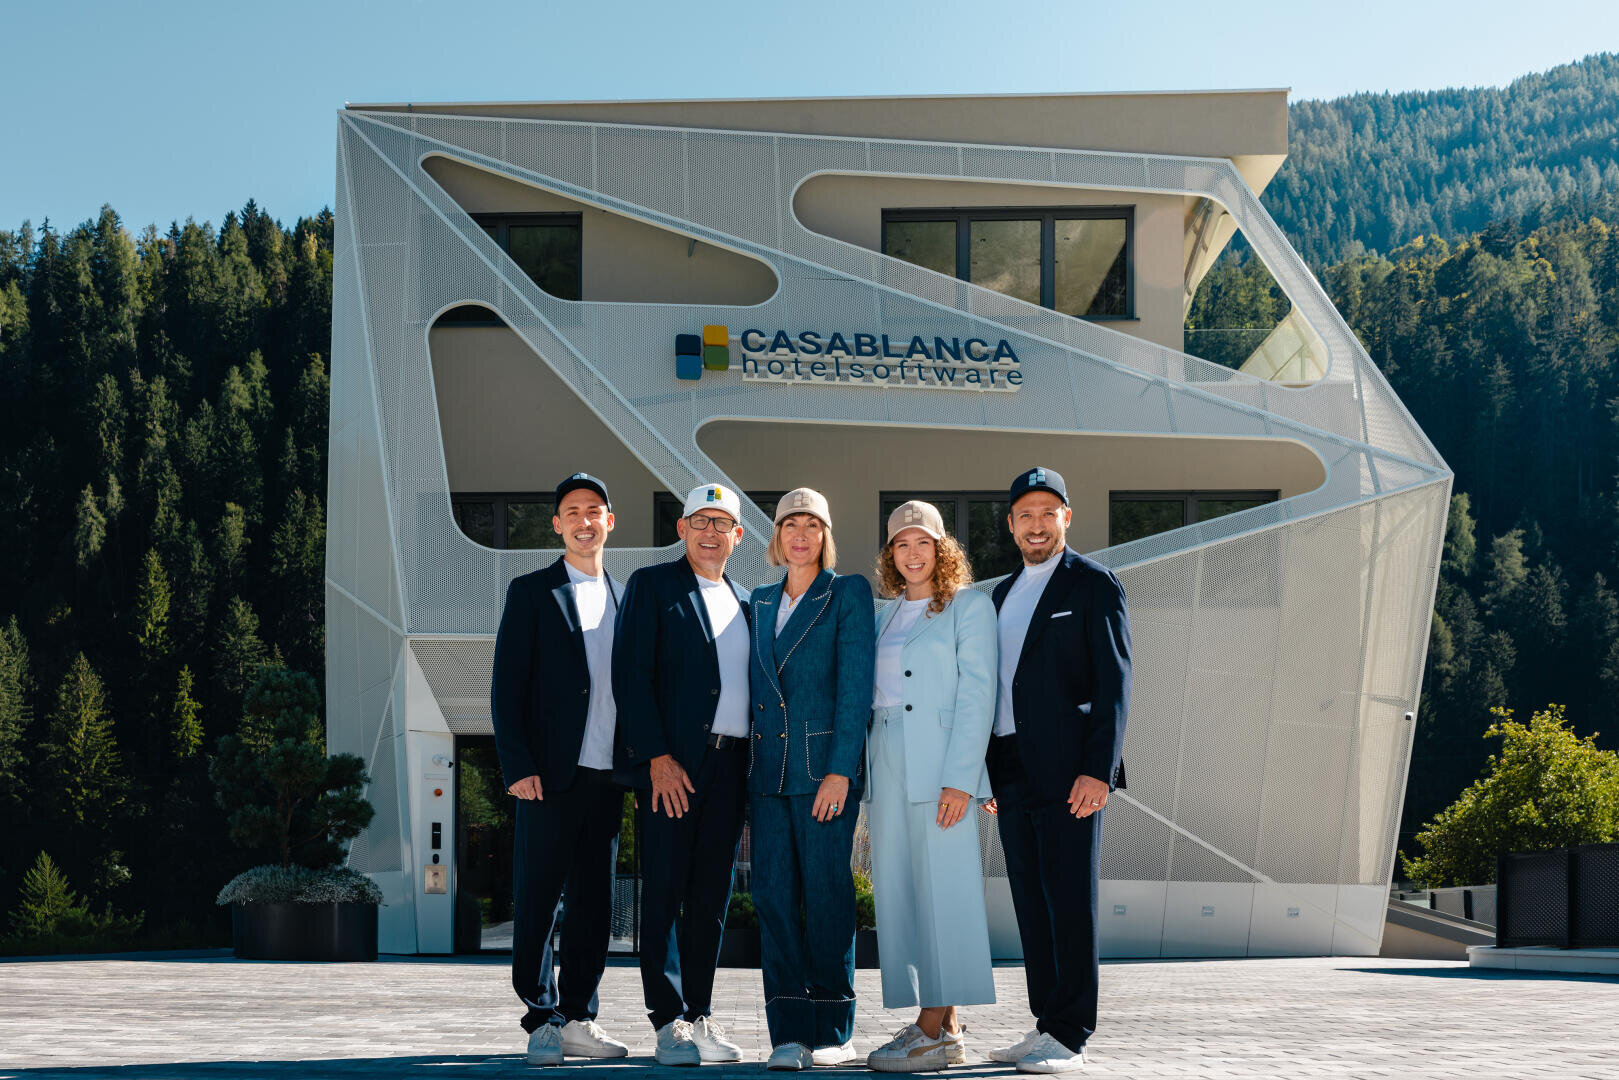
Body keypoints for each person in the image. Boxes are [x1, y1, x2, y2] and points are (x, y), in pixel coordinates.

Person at [984, 467, 1132, 1075]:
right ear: (1012, 524)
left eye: (1048, 512)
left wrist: (1099, 770)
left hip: (1071, 770)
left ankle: (1071, 1032)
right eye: (1025, 514)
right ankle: (1045, 1021)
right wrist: (987, 774)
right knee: (1031, 900)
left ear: (1066, 517)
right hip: (1011, 767)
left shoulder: (1094, 585)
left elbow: (1115, 685)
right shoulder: (999, 594)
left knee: (1069, 898)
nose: (1037, 524)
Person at [489, 472, 631, 1065]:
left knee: (595, 905)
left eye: (594, 510)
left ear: (609, 522)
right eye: (572, 511)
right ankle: (540, 1017)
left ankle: (579, 1016)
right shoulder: (531, 592)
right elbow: (506, 686)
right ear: (557, 524)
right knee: (540, 898)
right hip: (547, 777)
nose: (584, 520)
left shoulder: (628, 597)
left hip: (607, 776)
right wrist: (517, 764)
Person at [611, 483, 752, 1067]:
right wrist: (655, 758)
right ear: (682, 529)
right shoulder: (652, 586)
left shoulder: (749, 598)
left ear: (738, 536)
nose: (712, 532)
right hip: (673, 767)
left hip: (733, 764)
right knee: (666, 891)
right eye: (701, 521)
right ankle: (668, 1022)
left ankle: (700, 1013)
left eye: (723, 523)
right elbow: (630, 674)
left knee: (712, 894)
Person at [862, 500, 998, 1073]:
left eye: (923, 542)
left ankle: (930, 1028)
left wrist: (961, 780)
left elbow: (978, 696)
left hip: (942, 761)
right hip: (885, 757)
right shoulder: (882, 614)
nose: (912, 553)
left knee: (945, 891)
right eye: (901, 544)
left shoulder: (970, 606)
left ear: (941, 549)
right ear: (890, 554)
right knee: (901, 894)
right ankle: (945, 1029)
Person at [745, 488, 875, 1071]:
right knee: (772, 898)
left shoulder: (846, 593)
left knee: (826, 898)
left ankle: (833, 1028)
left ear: (825, 535)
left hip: (824, 774)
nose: (800, 534)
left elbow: (855, 690)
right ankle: (788, 1032)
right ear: (777, 536)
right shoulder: (759, 600)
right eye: (790, 524)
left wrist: (841, 771)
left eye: (812, 525)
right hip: (767, 776)